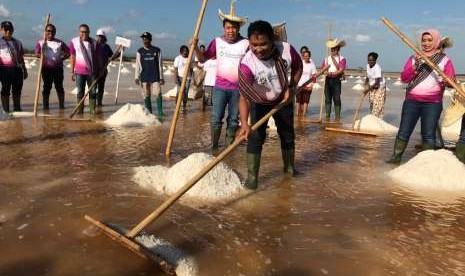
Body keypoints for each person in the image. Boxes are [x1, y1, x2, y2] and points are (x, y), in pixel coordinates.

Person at [237, 20, 303, 189]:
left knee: (287, 135)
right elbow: (244, 97)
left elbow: (298, 67)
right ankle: (252, 178)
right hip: (259, 102)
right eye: (254, 45)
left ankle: (289, 168)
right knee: (255, 137)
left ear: (273, 39)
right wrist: (244, 123)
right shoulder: (246, 64)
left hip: (283, 99)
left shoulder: (286, 49)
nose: (258, 49)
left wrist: (291, 86)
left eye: (263, 44)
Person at [387, 29, 456, 164]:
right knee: (404, 131)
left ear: (436, 41)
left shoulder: (444, 60)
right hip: (412, 101)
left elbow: (451, 82)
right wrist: (415, 66)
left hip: (433, 103)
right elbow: (404, 78)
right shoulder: (414, 57)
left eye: (430, 40)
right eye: (424, 40)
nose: (426, 43)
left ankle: (426, 165)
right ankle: (395, 159)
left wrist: (445, 78)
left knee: (429, 135)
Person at [194, 0, 249, 150]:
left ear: (239, 28)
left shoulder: (246, 43)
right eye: (228, 27)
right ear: (224, 28)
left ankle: (229, 148)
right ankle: (214, 147)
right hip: (220, 87)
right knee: (216, 118)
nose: (230, 30)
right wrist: (196, 48)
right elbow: (202, 59)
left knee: (233, 120)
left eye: (233, 28)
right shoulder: (217, 42)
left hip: (239, 90)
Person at [34, 23, 70, 110]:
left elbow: (69, 52)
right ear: (45, 32)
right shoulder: (41, 42)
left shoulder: (60, 42)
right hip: (46, 69)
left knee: (59, 87)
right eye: (48, 31)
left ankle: (62, 106)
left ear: (55, 32)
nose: (50, 32)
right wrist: (42, 52)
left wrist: (62, 58)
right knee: (46, 87)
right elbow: (37, 54)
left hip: (58, 69)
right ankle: (46, 107)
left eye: (52, 31)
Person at [69, 24, 101, 115]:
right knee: (80, 91)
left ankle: (92, 111)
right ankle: (80, 111)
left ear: (89, 32)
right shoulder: (74, 42)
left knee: (93, 92)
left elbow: (98, 58)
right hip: (79, 72)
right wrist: (72, 71)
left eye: (86, 32)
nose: (84, 34)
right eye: (82, 32)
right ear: (79, 32)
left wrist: (100, 69)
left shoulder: (95, 43)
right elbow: (72, 57)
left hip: (92, 72)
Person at [134, 31, 165, 118]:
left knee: (158, 93)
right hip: (144, 76)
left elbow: (160, 64)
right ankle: (149, 113)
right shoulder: (140, 51)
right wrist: (136, 77)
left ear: (150, 40)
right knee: (146, 94)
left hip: (155, 76)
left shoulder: (157, 50)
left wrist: (161, 77)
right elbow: (137, 65)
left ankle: (160, 113)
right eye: (143, 39)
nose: (145, 41)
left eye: (146, 39)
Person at [0, 21, 27, 112]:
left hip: (17, 70)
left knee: (17, 90)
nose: (8, 31)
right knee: (5, 90)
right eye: (6, 29)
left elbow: (21, 58)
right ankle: (6, 110)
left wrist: (25, 70)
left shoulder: (18, 43)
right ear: (2, 30)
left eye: (10, 29)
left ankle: (17, 108)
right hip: (4, 70)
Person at [321, 38, 346, 121]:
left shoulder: (342, 59)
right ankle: (327, 116)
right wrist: (325, 73)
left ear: (338, 49)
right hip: (327, 80)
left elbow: (341, 70)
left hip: (336, 80)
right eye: (332, 49)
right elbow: (322, 70)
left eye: (335, 49)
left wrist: (332, 73)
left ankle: (337, 117)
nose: (333, 50)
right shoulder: (326, 59)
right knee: (327, 98)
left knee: (337, 98)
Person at [364, 52, 386, 118]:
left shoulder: (377, 68)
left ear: (375, 60)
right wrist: (365, 84)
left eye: (371, 60)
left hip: (379, 88)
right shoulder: (368, 66)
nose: (369, 62)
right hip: (371, 87)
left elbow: (377, 82)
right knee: (371, 103)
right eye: (368, 60)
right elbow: (368, 76)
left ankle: (377, 120)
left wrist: (368, 89)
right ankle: (372, 118)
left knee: (378, 105)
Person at [95, 29, 113, 108]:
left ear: (104, 37)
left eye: (101, 37)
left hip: (103, 71)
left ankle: (99, 103)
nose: (99, 38)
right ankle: (93, 105)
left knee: (101, 88)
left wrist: (120, 52)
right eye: (98, 36)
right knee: (93, 88)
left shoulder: (106, 47)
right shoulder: (93, 45)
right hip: (94, 71)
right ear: (96, 37)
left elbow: (112, 56)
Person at [296, 50, 317, 117]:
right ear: (303, 56)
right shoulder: (300, 63)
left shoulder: (312, 65)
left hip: (308, 85)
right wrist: (295, 83)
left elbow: (314, 76)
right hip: (299, 85)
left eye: (307, 56)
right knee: (298, 100)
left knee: (306, 101)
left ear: (309, 56)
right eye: (305, 56)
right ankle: (297, 114)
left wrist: (312, 85)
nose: (306, 57)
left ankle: (304, 114)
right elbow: (296, 73)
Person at [173, 45, 192, 110]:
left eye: (186, 51)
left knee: (185, 93)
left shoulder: (189, 58)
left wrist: (192, 78)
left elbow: (191, 69)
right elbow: (175, 69)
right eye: (183, 51)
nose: (185, 52)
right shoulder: (177, 58)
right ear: (181, 52)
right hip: (180, 77)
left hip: (188, 78)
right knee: (179, 92)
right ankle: (177, 106)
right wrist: (176, 78)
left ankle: (184, 106)